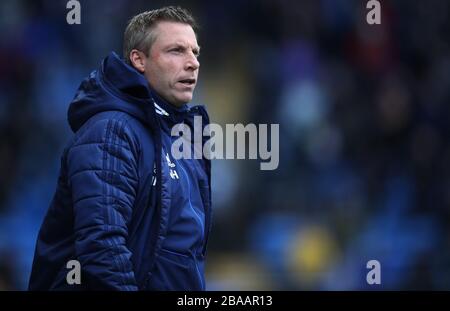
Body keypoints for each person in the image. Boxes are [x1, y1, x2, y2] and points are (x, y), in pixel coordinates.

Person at [28, 6, 212, 291]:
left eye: (195, 52)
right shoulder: (111, 131)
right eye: (176, 51)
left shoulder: (182, 139)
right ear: (139, 60)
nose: (193, 63)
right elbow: (102, 247)